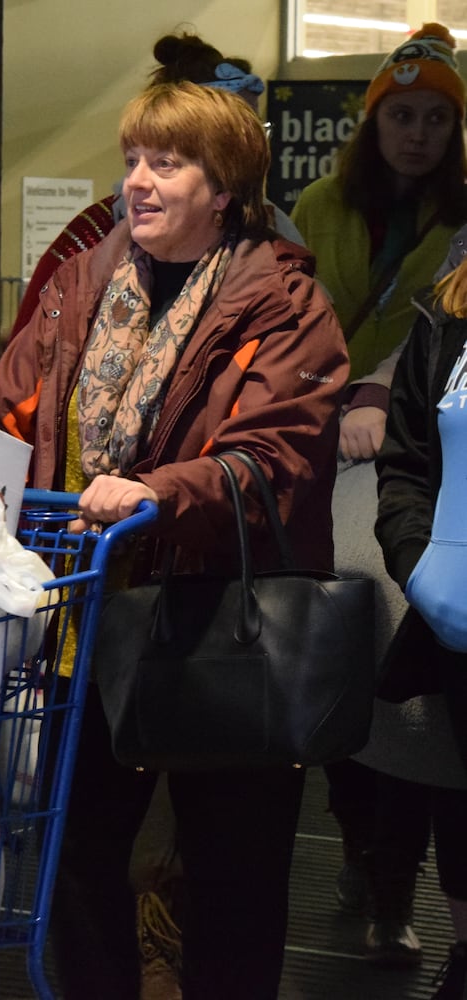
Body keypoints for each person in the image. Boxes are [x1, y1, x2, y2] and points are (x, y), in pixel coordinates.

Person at [0, 81, 347, 999]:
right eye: (132, 158)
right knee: (78, 866)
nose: (138, 181)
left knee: (233, 881)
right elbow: (2, 412)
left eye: (166, 163)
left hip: (221, 621)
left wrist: (156, 492)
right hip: (91, 617)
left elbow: (275, 454)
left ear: (224, 189)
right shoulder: (81, 283)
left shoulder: (284, 300)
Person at [290, 21, 467, 966]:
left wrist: (378, 393)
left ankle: (397, 885)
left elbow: (442, 340)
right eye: (401, 116)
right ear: (372, 124)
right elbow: (293, 320)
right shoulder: (317, 204)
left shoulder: (465, 216)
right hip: (322, 447)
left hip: (409, 449)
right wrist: (335, 399)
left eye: (437, 119)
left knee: (418, 698)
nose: (418, 135)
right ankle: (367, 858)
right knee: (345, 660)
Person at [10, 29, 304, 337]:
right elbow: (25, 371)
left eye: (255, 132)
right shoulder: (87, 246)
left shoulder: (282, 254)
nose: (136, 181)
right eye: (135, 161)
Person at [374, 238, 467, 999]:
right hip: (460, 616)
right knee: (460, 793)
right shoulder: (449, 309)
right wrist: (417, 563)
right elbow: (404, 459)